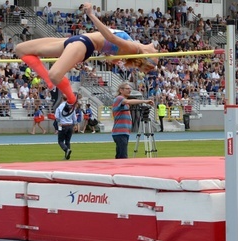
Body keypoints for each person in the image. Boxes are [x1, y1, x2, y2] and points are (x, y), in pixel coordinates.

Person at [14, 1, 159, 108]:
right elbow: (112, 52)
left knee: (54, 74)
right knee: (21, 49)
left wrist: (91, 15)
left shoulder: (135, 48)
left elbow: (111, 37)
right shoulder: (131, 48)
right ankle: (51, 83)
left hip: (83, 43)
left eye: (157, 56)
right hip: (76, 40)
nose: (157, 50)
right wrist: (114, 59)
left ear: (148, 56)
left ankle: (71, 99)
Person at [112, 82, 154, 159]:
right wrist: (144, 101)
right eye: (127, 89)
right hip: (120, 131)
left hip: (123, 132)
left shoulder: (124, 102)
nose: (129, 90)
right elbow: (127, 101)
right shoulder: (119, 98)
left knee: (120, 155)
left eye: (130, 89)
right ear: (121, 90)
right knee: (123, 156)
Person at [55, 95, 77, 160]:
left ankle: (66, 150)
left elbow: (57, 117)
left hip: (63, 125)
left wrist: (59, 123)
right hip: (70, 125)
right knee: (68, 141)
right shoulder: (72, 107)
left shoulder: (60, 107)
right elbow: (74, 117)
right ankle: (67, 156)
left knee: (60, 141)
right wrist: (75, 124)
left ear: (62, 98)